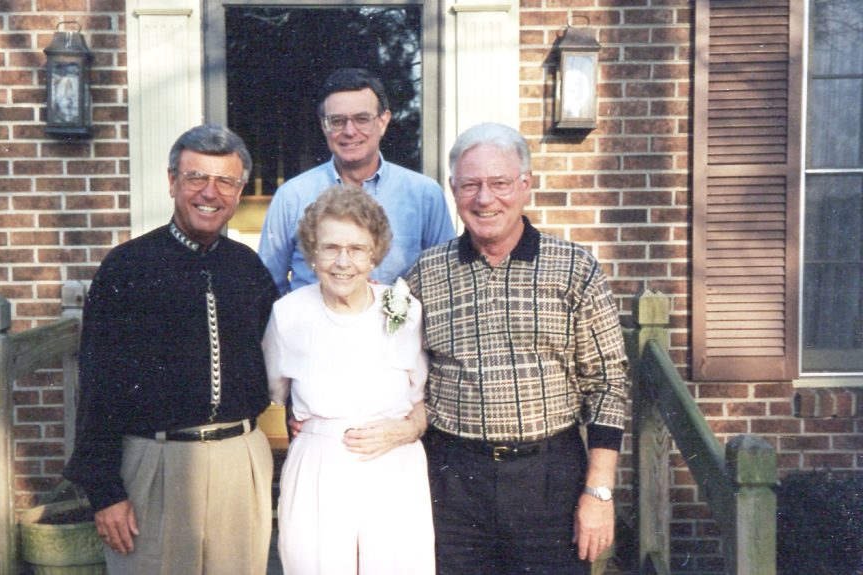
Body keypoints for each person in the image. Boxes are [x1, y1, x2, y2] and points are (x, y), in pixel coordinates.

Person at [406, 122, 629, 574]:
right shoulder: (424, 275)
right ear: (453, 190)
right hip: (452, 483)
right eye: (470, 185)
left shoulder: (575, 269)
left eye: (499, 183)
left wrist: (599, 492)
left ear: (525, 185)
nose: (484, 199)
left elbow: (608, 384)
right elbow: (391, 363)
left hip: (549, 482)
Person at [64, 124, 279, 575]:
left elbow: (278, 356)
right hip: (153, 466)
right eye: (196, 177)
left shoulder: (248, 269)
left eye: (226, 181)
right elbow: (98, 384)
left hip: (238, 461)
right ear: (171, 182)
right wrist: (106, 492)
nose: (210, 193)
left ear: (240, 191)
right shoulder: (127, 267)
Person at [263, 184, 435, 575]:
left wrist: (407, 429)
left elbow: (420, 396)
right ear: (311, 252)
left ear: (375, 253)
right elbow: (277, 393)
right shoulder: (288, 315)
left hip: (395, 463)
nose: (344, 262)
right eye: (330, 248)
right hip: (319, 465)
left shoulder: (405, 310)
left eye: (357, 249)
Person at [258, 67, 455, 294]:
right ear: (324, 125)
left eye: (362, 119)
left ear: (383, 121)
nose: (350, 131)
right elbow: (268, 285)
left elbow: (443, 280)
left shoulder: (424, 195)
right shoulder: (292, 196)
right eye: (337, 121)